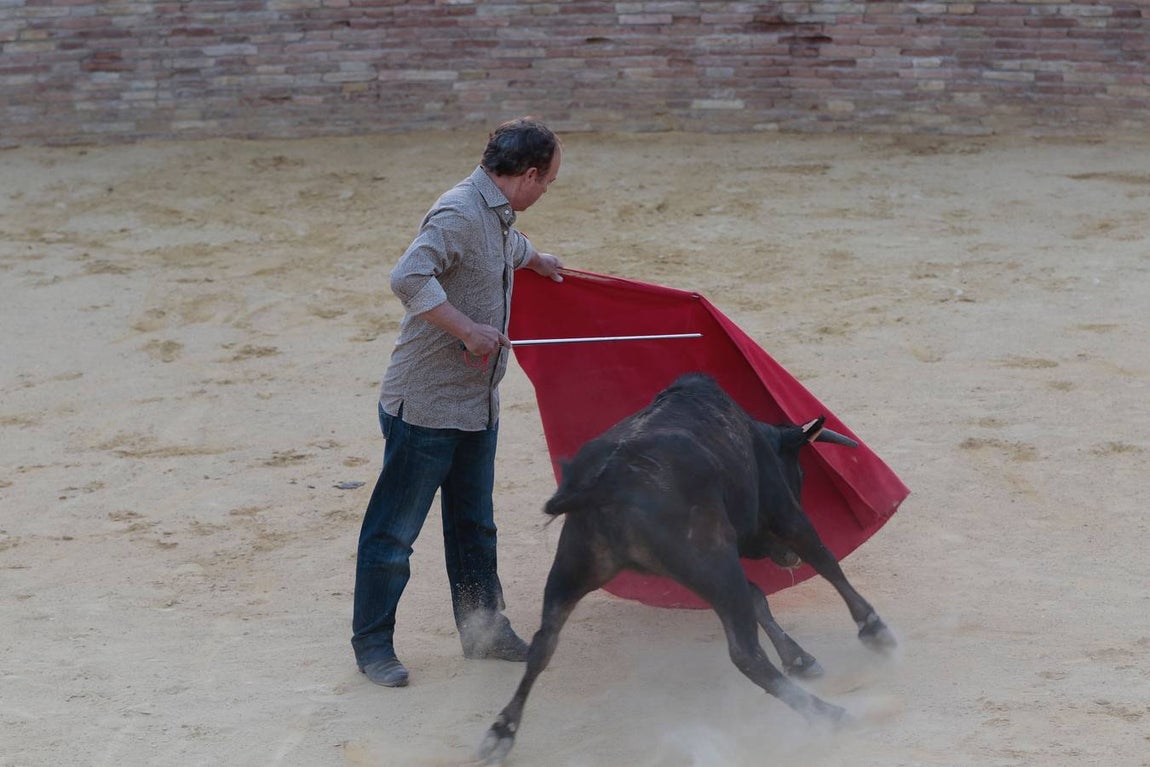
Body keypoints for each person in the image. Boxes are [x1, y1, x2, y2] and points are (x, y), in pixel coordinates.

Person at [352, 117, 564, 688]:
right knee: (394, 533)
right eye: (547, 182)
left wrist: (536, 259)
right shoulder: (458, 210)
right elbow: (408, 277)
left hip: (475, 404)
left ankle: (484, 631)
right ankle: (372, 646)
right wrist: (468, 328)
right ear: (527, 175)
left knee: (474, 526)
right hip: (424, 405)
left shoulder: (494, 214)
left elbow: (502, 246)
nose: (546, 191)